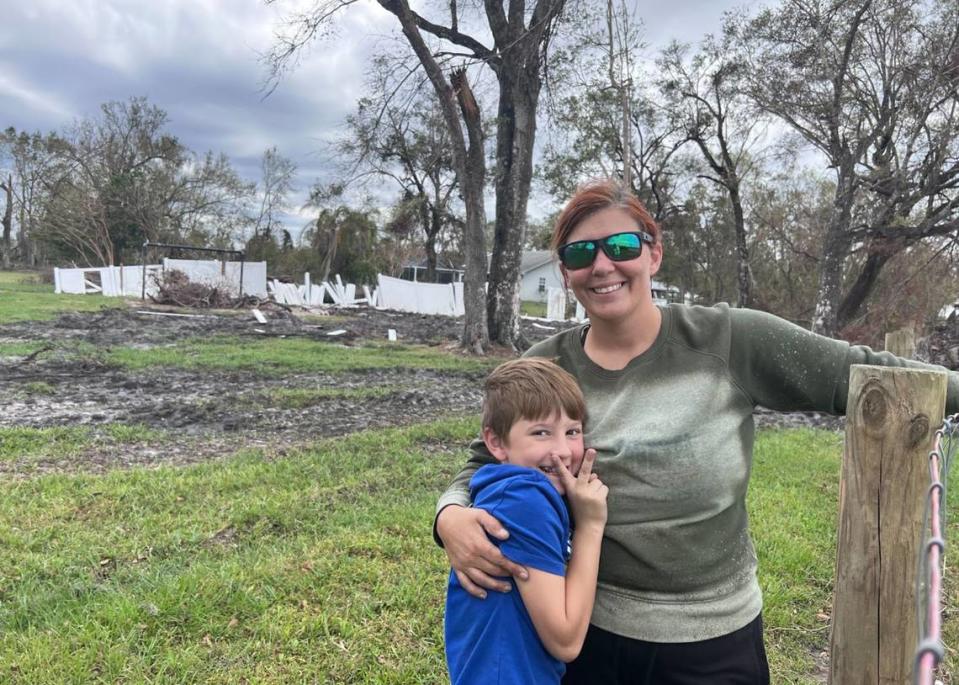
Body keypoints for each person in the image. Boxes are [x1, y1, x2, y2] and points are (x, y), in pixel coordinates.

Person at [435, 179, 959, 684]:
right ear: (566, 272)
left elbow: (872, 374)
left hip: (711, 639)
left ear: (653, 254)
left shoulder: (728, 339)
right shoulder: (545, 367)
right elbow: (485, 459)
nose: (601, 266)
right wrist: (450, 516)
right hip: (585, 637)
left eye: (620, 245)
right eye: (579, 254)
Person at [444, 357, 609, 684]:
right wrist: (591, 526)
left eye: (572, 431)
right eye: (541, 432)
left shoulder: (509, 490)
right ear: (495, 443)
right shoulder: (525, 499)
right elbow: (566, 641)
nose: (562, 450)